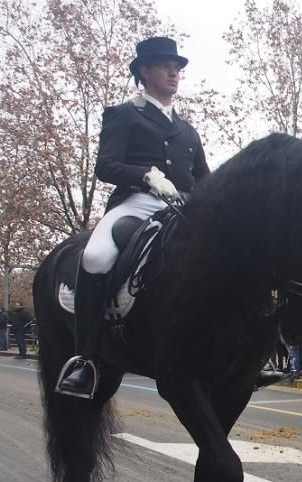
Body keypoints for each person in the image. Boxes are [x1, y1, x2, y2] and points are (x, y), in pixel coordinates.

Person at [56, 36, 210, 398]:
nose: (174, 73)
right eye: (165, 66)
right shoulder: (124, 114)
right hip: (138, 201)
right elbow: (105, 166)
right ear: (145, 70)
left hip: (183, 208)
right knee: (95, 257)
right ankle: (87, 359)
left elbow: (205, 180)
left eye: (177, 68)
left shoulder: (188, 130)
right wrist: (145, 175)